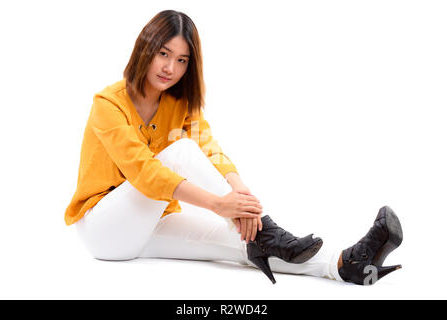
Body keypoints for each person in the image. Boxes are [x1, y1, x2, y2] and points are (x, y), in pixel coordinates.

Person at [64, 10, 403, 285]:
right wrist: (218, 203)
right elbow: (144, 172)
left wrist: (239, 191)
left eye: (182, 60)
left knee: (245, 242)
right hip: (104, 231)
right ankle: (269, 229)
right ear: (144, 49)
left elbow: (208, 146)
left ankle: (346, 264)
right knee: (179, 152)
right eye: (163, 54)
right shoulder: (107, 104)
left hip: (148, 227)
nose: (170, 68)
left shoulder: (179, 101)